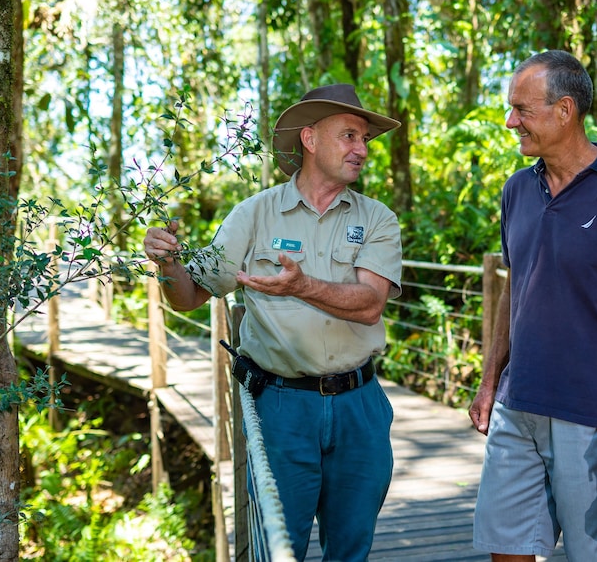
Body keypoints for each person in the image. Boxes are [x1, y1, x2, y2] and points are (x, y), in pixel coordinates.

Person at [143, 84, 403, 561]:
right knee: (276, 550)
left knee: (351, 551)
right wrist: (169, 266)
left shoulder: (378, 219)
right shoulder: (254, 214)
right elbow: (190, 296)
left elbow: (370, 305)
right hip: (282, 409)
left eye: (365, 139)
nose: (361, 150)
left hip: (360, 408)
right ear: (309, 138)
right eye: (350, 135)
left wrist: (301, 287)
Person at [469, 49, 597, 561]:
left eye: (521, 109)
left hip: (594, 418)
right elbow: (518, 287)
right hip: (517, 407)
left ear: (565, 111)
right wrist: (491, 377)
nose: (510, 121)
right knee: (505, 550)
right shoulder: (516, 189)